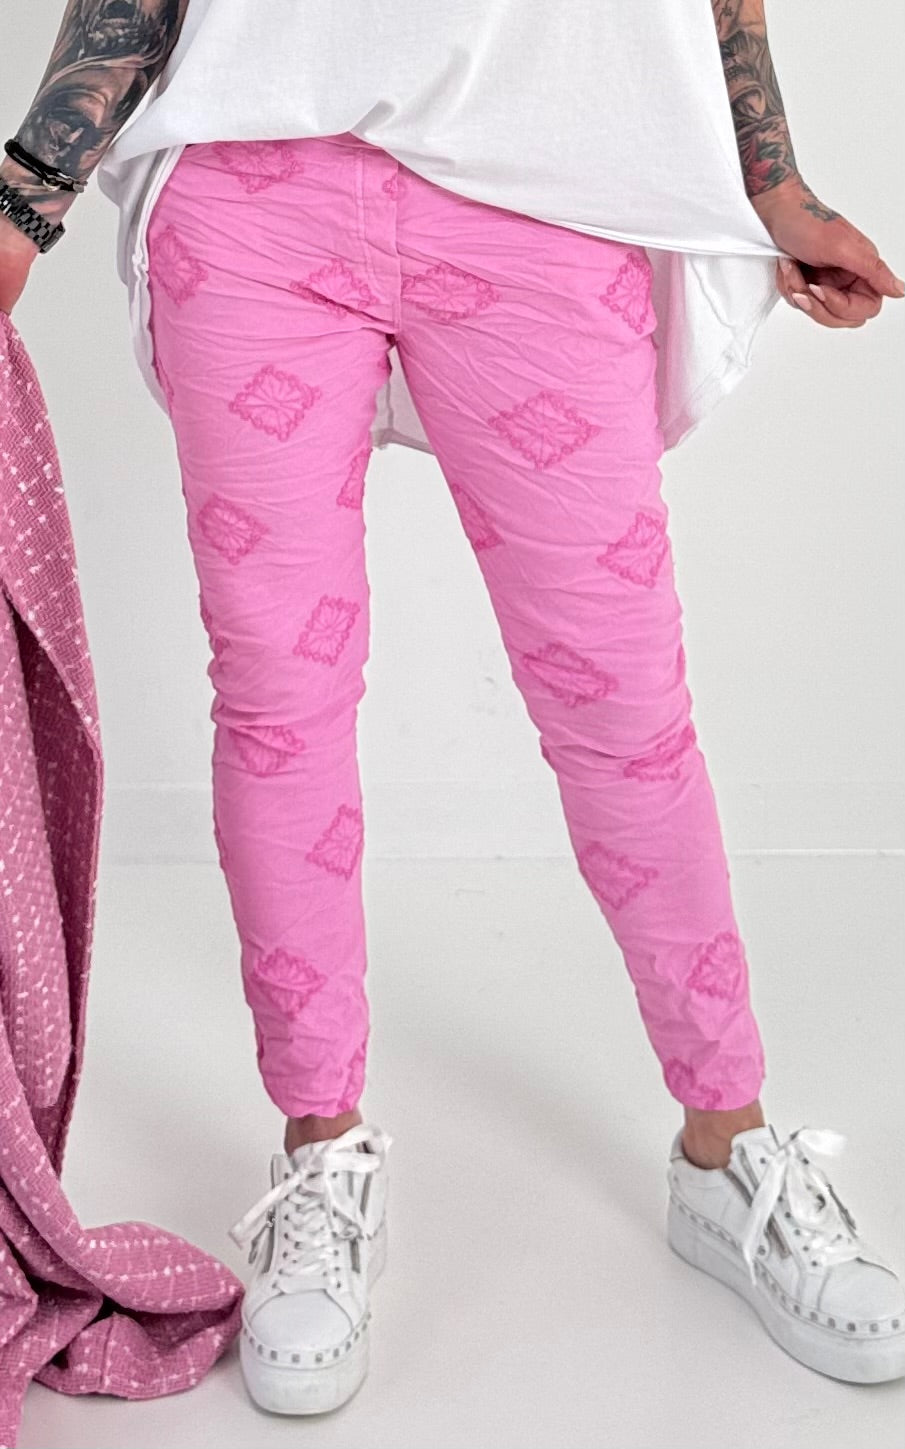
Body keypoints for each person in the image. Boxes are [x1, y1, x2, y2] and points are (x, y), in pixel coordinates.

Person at [2, 0, 903, 1416]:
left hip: (558, 184)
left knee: (624, 705)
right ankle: (320, 1155)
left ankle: (727, 1150)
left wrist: (770, 181)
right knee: (280, 699)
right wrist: (27, 188)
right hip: (253, 188)